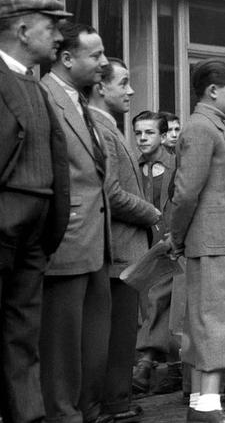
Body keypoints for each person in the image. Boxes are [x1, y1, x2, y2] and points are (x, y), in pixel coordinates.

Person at [166, 58, 225, 423]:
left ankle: (203, 402)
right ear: (213, 91)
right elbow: (186, 193)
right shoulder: (204, 128)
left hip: (214, 240)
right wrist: (178, 236)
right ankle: (209, 408)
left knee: (206, 321)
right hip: (213, 241)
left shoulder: (210, 126)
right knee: (217, 322)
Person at [0, 0, 71, 423]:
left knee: (22, 333)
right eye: (51, 28)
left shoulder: (34, 83)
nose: (59, 37)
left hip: (34, 235)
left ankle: (27, 416)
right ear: (23, 32)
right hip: (5, 225)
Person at [39, 21, 112, 423]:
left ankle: (87, 410)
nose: (103, 63)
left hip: (97, 244)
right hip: (66, 243)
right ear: (67, 58)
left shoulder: (83, 104)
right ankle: (63, 415)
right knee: (62, 345)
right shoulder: (45, 97)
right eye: (95, 55)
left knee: (91, 342)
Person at [88, 58, 161, 423]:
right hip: (118, 250)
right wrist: (151, 212)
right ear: (101, 88)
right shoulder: (101, 129)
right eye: (124, 83)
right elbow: (112, 193)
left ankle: (117, 399)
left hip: (122, 249)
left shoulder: (109, 128)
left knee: (123, 330)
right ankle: (114, 403)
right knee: (117, 333)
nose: (131, 90)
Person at [132, 111, 182, 396]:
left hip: (172, 245)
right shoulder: (134, 167)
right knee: (150, 303)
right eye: (138, 133)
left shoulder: (176, 166)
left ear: (163, 137)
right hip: (142, 247)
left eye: (149, 133)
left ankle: (147, 362)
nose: (142, 138)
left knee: (163, 301)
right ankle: (153, 364)